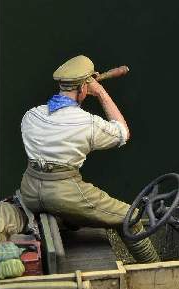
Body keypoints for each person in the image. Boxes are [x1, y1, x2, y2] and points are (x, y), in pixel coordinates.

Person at [20, 55, 159, 263]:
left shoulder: (31, 116)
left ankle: (68, 220)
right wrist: (101, 92)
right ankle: (154, 269)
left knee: (71, 215)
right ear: (85, 88)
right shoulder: (88, 123)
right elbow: (122, 133)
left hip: (29, 189)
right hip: (63, 193)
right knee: (130, 218)